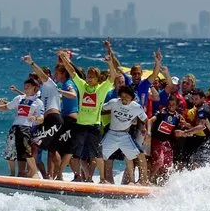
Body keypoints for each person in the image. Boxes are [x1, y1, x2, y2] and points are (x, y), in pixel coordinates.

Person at [59, 49, 116, 183]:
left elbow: (112, 77)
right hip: (80, 125)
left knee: (97, 155)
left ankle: (102, 179)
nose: (89, 78)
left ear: (97, 78)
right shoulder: (82, 86)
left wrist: (110, 63)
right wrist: (64, 60)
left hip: (94, 127)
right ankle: (66, 176)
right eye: (88, 76)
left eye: (92, 76)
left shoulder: (101, 89)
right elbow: (72, 73)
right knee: (73, 152)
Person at [0, 78, 44, 179]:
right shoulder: (19, 98)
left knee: (27, 151)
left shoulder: (38, 102)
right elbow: (7, 107)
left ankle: (35, 173)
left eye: (28, 87)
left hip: (26, 128)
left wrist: (35, 118)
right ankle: (12, 174)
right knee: (10, 151)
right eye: (25, 86)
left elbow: (41, 119)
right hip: (15, 127)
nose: (26, 88)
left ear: (35, 88)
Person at [22, 54, 65, 179]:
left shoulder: (50, 84)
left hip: (53, 119)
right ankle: (58, 177)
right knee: (52, 150)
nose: (38, 78)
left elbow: (42, 75)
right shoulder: (43, 89)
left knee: (34, 144)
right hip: (53, 120)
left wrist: (31, 63)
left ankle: (32, 174)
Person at [101, 86, 149, 185]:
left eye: (127, 97)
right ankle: (100, 179)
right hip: (111, 133)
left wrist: (147, 133)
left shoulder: (137, 107)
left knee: (139, 155)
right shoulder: (114, 102)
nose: (124, 100)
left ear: (132, 98)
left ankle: (142, 180)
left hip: (125, 135)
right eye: (122, 97)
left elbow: (146, 120)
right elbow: (100, 109)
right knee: (98, 154)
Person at [181, 89, 210, 168]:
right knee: (205, 164)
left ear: (203, 98)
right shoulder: (203, 108)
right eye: (193, 99)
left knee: (196, 161)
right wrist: (187, 126)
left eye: (196, 99)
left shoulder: (203, 109)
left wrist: (185, 133)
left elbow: (201, 126)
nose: (194, 101)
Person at [147, 96, 184, 184]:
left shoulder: (178, 117)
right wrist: (148, 133)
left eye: (173, 105)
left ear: (176, 106)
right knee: (159, 162)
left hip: (166, 143)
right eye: (170, 104)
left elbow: (176, 131)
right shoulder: (162, 112)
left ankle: (159, 183)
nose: (171, 106)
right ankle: (148, 180)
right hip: (156, 140)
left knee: (168, 165)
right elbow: (150, 121)